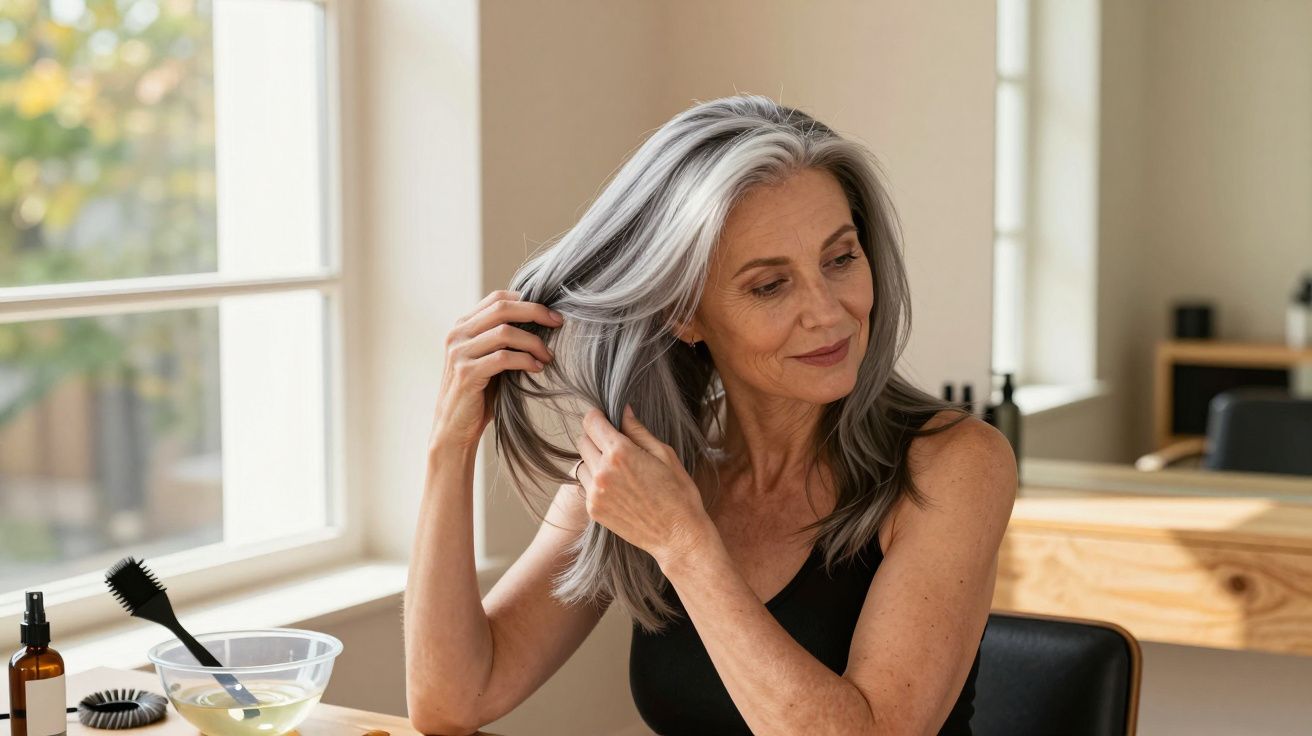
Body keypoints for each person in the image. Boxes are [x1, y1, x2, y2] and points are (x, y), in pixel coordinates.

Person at [405, 95, 1017, 735]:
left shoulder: (954, 465)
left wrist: (683, 544)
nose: (830, 312)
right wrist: (450, 443)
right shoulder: (648, 465)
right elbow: (453, 701)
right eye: (769, 285)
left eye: (840, 259)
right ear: (684, 312)